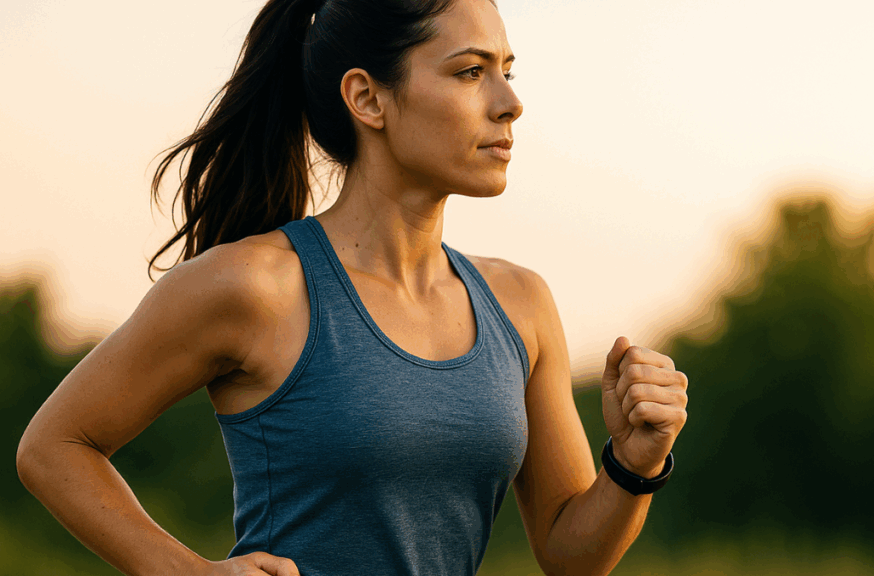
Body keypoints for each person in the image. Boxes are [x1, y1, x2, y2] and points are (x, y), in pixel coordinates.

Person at [15, 0, 689, 574]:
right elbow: (54, 447)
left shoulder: (521, 303)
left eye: (507, 72)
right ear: (367, 98)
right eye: (470, 72)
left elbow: (570, 554)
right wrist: (183, 570)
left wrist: (634, 461)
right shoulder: (253, 286)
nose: (510, 104)